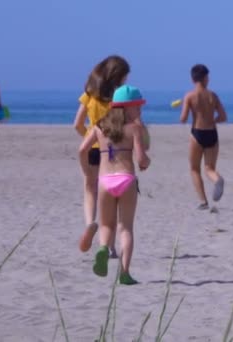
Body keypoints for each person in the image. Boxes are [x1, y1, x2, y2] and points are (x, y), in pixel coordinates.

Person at [78, 85, 151, 285]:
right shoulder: (134, 129)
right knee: (125, 228)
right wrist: (146, 163)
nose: (140, 110)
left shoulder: (100, 126)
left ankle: (103, 248)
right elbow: (141, 158)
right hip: (126, 180)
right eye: (138, 107)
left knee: (106, 224)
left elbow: (82, 149)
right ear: (128, 108)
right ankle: (125, 273)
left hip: (104, 181)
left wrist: (86, 170)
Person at [74, 56, 130, 257]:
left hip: (92, 149)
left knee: (90, 188)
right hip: (111, 151)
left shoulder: (90, 93)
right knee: (112, 196)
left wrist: (89, 136)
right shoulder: (119, 97)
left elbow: (77, 123)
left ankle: (90, 223)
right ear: (118, 75)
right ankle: (111, 246)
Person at [180, 64, 227, 210]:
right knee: (209, 168)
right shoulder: (213, 96)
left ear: (193, 79)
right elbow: (223, 116)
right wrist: (213, 120)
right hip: (212, 133)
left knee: (194, 168)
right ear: (205, 78)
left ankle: (203, 201)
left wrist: (184, 106)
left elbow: (183, 119)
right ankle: (217, 179)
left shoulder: (190, 96)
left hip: (197, 133)